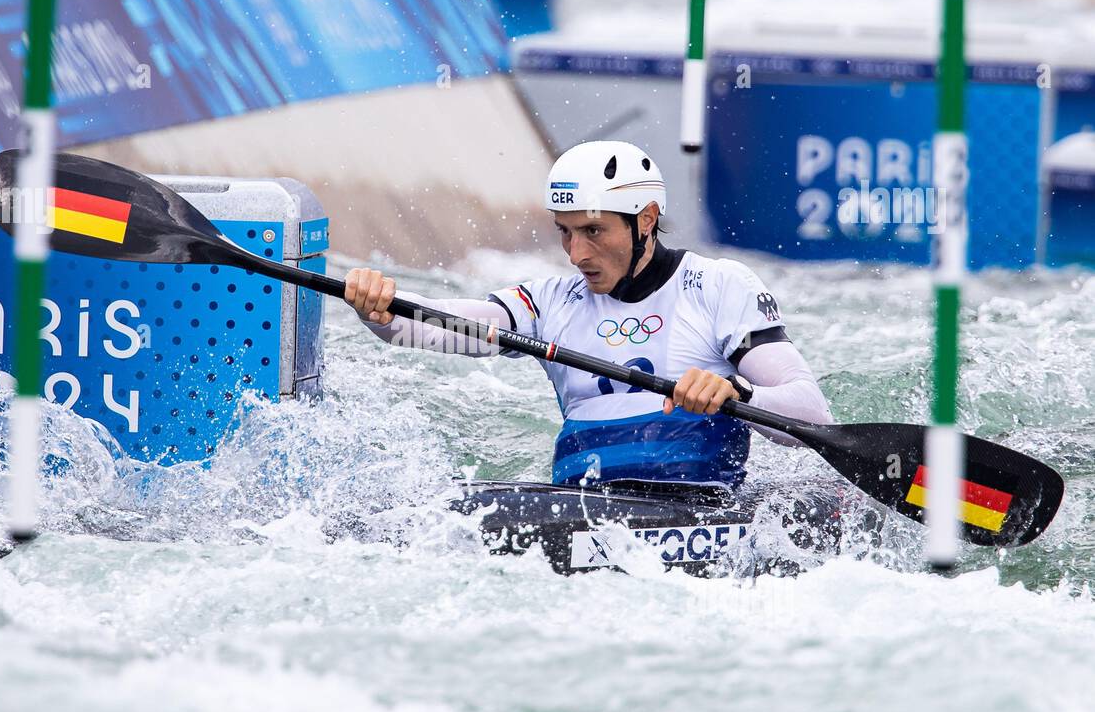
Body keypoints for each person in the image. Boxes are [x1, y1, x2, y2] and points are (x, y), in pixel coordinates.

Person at [343, 140, 833, 489]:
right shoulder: (551, 302)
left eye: (593, 232)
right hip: (578, 507)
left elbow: (811, 413)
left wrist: (736, 391)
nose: (576, 254)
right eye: (565, 232)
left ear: (644, 220)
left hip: (699, 506)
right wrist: (379, 306)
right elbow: (434, 325)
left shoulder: (718, 287)